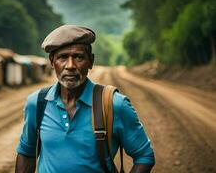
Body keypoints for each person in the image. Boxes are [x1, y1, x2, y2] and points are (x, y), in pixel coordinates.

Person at [15, 25, 155, 173]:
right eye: (62, 57)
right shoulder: (37, 103)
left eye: (79, 57)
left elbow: (144, 156)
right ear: (52, 61)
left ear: (91, 61)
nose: (70, 66)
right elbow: (26, 153)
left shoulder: (114, 104)